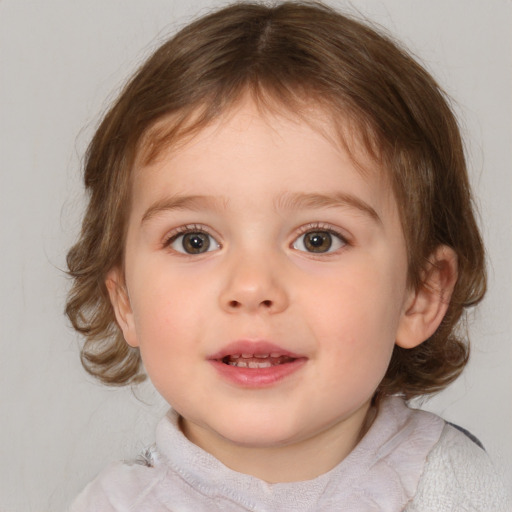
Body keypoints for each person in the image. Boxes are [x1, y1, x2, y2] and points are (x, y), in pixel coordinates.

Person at [66, 2, 510, 510]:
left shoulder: (469, 493)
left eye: (318, 239)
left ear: (419, 295)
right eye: (195, 240)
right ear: (125, 303)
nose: (252, 287)